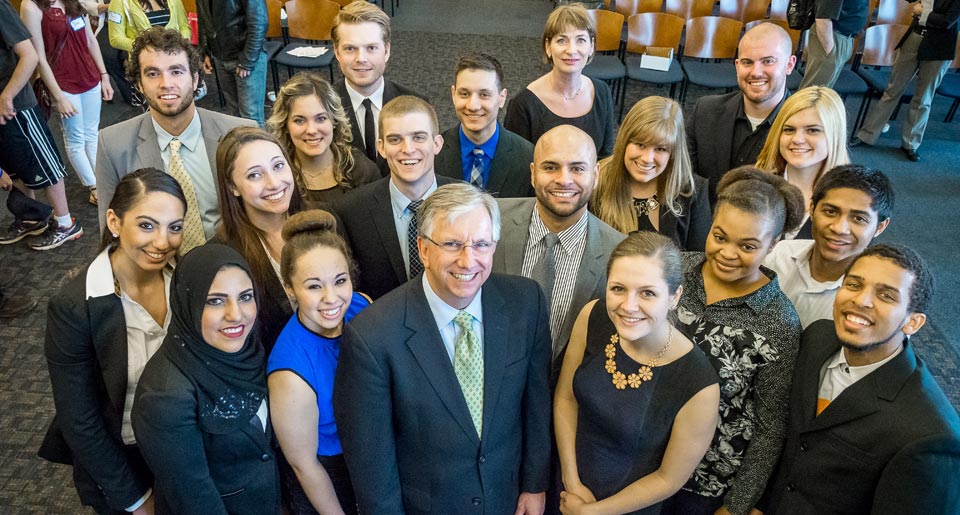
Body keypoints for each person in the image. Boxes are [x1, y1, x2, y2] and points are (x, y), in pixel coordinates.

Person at [333, 183, 552, 515]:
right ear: (423, 249)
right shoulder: (372, 336)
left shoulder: (526, 303)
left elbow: (536, 405)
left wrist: (534, 485)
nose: (468, 260)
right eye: (452, 244)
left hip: (508, 500)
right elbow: (373, 464)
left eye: (481, 244)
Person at [766, 244, 960, 514]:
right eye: (854, 285)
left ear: (912, 323)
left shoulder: (931, 434)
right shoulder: (817, 338)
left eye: (886, 295)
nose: (861, 300)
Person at [39, 168, 186, 514]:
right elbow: (80, 421)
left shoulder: (187, 282)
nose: (163, 242)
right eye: (147, 225)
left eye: (174, 227)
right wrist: (137, 501)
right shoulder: (75, 308)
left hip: (187, 448)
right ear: (115, 222)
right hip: (125, 459)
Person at [662, 166, 805, 515]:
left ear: (773, 245)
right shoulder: (675, 269)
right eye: (720, 236)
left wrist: (737, 505)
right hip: (643, 454)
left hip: (706, 480)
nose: (727, 252)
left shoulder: (779, 323)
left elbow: (770, 427)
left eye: (748, 246)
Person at [554, 232, 720, 515]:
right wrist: (571, 482)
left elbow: (668, 479)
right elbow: (566, 400)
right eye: (618, 288)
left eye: (647, 293)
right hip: (564, 491)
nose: (628, 306)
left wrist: (591, 513)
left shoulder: (698, 383)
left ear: (674, 296)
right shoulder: (593, 316)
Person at [132, 243, 280, 515]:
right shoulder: (165, 396)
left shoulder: (251, 349)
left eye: (246, 296)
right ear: (188, 303)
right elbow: (194, 500)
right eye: (215, 300)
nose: (236, 314)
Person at [96, 27, 254, 251]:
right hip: (157, 271)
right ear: (139, 84)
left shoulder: (240, 133)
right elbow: (111, 231)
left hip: (234, 265)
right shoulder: (112, 144)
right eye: (152, 74)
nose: (165, 83)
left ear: (195, 77)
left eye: (176, 71)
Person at [267, 210, 370, 515]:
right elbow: (304, 464)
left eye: (340, 281)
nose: (331, 297)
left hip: (369, 457)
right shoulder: (290, 372)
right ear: (290, 288)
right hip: (329, 478)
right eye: (313, 286)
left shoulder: (361, 306)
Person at [494, 124, 623, 362]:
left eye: (577, 168)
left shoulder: (619, 253)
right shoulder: (490, 222)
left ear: (595, 175)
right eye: (551, 167)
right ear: (533, 173)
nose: (564, 180)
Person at [333, 95, 455, 300]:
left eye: (418, 137)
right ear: (381, 147)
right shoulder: (351, 212)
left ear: (436, 143)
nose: (407, 149)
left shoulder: (468, 203)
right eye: (395, 139)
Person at [765, 165, 894, 328]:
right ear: (812, 209)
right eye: (830, 212)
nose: (839, 228)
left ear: (880, 227)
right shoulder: (778, 254)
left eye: (859, 219)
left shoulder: (880, 300)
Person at [686, 22, 797, 206]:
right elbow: (684, 179)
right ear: (737, 66)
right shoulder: (705, 111)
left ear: (789, 64)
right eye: (747, 62)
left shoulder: (802, 132)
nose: (756, 72)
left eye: (768, 61)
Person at [214, 126, 303, 354]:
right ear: (232, 187)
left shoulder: (327, 221)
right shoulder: (224, 255)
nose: (273, 183)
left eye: (278, 166)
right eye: (255, 175)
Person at [0, 0, 80, 251]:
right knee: (16, 168)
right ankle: (31, 217)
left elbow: (30, 56)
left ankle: (66, 224)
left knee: (46, 166)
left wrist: (7, 96)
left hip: (18, 105)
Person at [21, 0, 113, 207]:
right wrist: (59, 97)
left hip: (89, 78)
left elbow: (90, 40)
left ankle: (101, 181)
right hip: (62, 83)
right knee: (75, 139)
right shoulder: (31, 6)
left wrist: (104, 76)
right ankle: (94, 186)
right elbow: (39, 56)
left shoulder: (73, 1)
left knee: (91, 133)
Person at [592, 95, 711, 251]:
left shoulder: (691, 192)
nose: (647, 159)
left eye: (660, 149)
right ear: (624, 141)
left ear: (673, 152)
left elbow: (697, 260)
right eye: (640, 145)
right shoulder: (597, 177)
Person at [850, 0, 959, 162]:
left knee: (923, 98)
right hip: (914, 37)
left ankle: (910, 143)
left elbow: (946, 21)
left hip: (939, 48)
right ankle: (867, 135)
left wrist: (924, 12)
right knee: (892, 90)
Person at [504, 4, 615, 158]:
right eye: (562, 40)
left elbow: (606, 156)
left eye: (581, 40)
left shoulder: (602, 92)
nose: (571, 50)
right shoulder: (523, 104)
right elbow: (516, 162)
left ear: (591, 46)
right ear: (548, 47)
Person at [331, 1, 425, 177]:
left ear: (387, 50)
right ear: (337, 52)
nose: (361, 58)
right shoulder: (323, 108)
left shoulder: (416, 104)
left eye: (371, 48)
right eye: (350, 48)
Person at [266, 72, 379, 207]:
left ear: (334, 121)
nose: (312, 130)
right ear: (285, 125)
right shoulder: (274, 176)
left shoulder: (362, 170)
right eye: (299, 120)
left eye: (321, 118)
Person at [435, 52, 535, 197]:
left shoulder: (527, 157)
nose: (473, 106)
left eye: (484, 95)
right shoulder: (433, 154)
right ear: (453, 94)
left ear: (502, 98)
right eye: (464, 94)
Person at [756, 86, 850, 239]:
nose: (797, 140)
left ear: (834, 135)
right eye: (789, 130)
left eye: (812, 130)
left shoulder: (853, 198)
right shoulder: (755, 184)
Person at [195, 0, 267, 127]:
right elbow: (203, 20)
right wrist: (204, 51)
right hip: (221, 58)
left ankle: (259, 147)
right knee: (234, 116)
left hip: (246, 59)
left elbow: (259, 23)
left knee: (251, 119)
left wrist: (247, 61)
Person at [799, 0, 868, 89]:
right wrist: (831, 51)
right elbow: (822, 18)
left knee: (823, 90)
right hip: (831, 37)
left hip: (842, 37)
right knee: (814, 92)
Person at [107, 0, 190, 54]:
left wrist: (177, 45)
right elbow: (115, 38)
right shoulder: (119, 2)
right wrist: (147, 48)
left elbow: (184, 26)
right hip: (144, 62)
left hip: (175, 57)